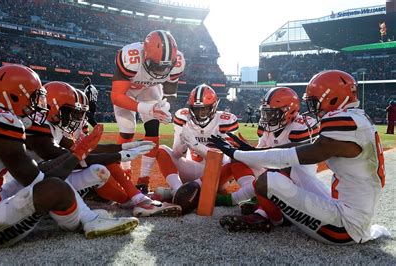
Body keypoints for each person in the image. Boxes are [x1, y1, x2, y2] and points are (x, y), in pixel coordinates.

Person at [0, 65, 139, 251]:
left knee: (45, 179)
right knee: (56, 188)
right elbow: (39, 180)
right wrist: (77, 154)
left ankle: (85, 217)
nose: (37, 104)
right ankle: (87, 222)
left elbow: (37, 171)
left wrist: (76, 154)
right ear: (15, 95)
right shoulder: (3, 122)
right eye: (34, 97)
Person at [211, 70, 390, 244]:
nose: (313, 108)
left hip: (344, 228)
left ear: (333, 98)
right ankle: (271, 211)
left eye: (315, 102)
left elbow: (296, 155)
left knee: (268, 180)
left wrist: (238, 154)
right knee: (293, 171)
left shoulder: (341, 120)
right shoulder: (358, 118)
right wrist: (251, 152)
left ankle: (277, 219)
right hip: (352, 210)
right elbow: (301, 147)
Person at [23, 81, 181, 217]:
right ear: (55, 109)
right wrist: (119, 156)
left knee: (100, 164)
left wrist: (125, 146)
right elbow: (74, 159)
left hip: (47, 180)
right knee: (100, 168)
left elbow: (87, 151)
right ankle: (136, 199)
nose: (78, 119)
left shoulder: (53, 127)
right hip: (32, 190)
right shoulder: (38, 129)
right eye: (74, 113)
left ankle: (134, 197)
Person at [217, 87, 322, 229]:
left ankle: (261, 214)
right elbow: (260, 153)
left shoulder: (302, 126)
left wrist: (251, 153)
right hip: (271, 171)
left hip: (296, 178)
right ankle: (255, 198)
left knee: (276, 173)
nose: (267, 118)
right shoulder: (268, 127)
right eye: (265, 113)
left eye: (272, 113)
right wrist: (246, 151)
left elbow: (289, 161)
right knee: (239, 159)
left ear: (289, 111)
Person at [155, 84, 255, 207]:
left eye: (205, 109)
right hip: (190, 168)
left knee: (237, 158)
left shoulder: (226, 120)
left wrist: (197, 146)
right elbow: (176, 154)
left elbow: (224, 159)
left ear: (213, 107)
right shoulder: (183, 116)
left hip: (217, 173)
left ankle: (185, 192)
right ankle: (177, 190)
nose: (201, 113)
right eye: (197, 109)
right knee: (161, 150)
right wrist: (183, 143)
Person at [111, 30, 185, 193]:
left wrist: (165, 107)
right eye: (157, 66)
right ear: (145, 55)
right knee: (127, 130)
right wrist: (147, 108)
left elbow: (170, 93)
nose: (161, 71)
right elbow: (117, 96)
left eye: (165, 67)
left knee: (152, 129)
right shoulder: (131, 58)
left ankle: (144, 179)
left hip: (150, 89)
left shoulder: (178, 62)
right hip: (127, 91)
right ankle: (125, 170)